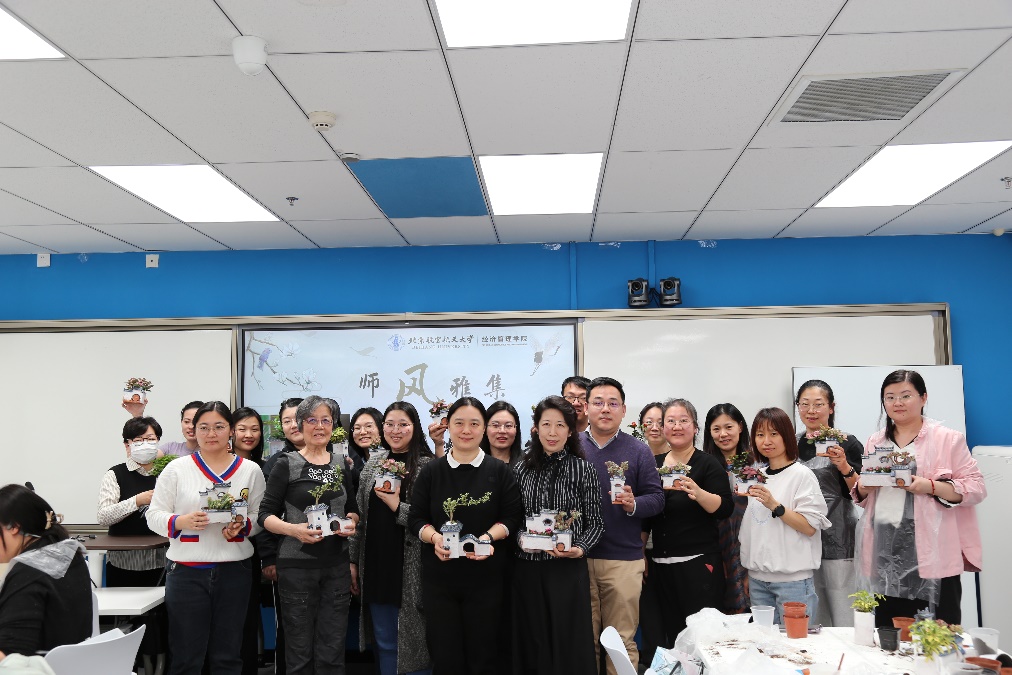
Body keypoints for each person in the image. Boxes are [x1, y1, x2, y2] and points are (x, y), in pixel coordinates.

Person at [853, 370, 986, 627]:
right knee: (889, 633)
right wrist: (865, 486)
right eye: (890, 397)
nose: (897, 403)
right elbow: (864, 497)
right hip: (885, 551)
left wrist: (931, 486)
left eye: (906, 396)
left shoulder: (947, 439)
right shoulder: (876, 441)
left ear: (923, 398)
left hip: (932, 552)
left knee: (938, 634)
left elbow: (976, 487)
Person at [146, 401, 266, 675]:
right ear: (194, 430)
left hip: (235, 571)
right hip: (186, 573)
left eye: (219, 427)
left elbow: (259, 516)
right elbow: (154, 515)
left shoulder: (250, 470)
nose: (211, 434)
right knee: (186, 657)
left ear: (231, 430)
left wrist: (242, 526)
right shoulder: (176, 469)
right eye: (204, 427)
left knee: (228, 656)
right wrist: (181, 521)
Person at [409, 397, 524, 675]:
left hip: (486, 581)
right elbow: (416, 519)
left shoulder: (499, 471)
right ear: (448, 426)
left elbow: (512, 518)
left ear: (483, 428)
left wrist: (487, 538)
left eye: (474, 424)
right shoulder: (432, 471)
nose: (466, 430)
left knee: (483, 656)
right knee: (446, 657)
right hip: (440, 582)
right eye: (459, 423)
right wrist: (435, 538)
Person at [258, 396, 359, 675]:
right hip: (297, 568)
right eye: (312, 420)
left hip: (336, 567)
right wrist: (294, 530)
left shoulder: (341, 464)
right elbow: (264, 516)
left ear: (333, 426)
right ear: (301, 425)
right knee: (299, 651)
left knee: (332, 649)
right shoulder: (286, 464)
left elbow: (352, 509)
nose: (319, 426)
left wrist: (350, 522)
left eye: (326, 420)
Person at [513, 396, 604, 675]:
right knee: (533, 639)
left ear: (571, 431)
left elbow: (596, 524)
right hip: (528, 569)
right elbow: (511, 520)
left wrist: (580, 548)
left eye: (560, 425)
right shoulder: (520, 469)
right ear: (536, 428)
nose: (552, 432)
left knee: (569, 641)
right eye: (546, 424)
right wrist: (521, 539)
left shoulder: (583, 469)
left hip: (567, 569)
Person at [579, 377, 664, 675]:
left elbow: (657, 499)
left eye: (613, 403)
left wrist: (633, 503)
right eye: (598, 402)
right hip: (577, 558)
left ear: (624, 410)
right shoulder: (570, 446)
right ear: (586, 408)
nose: (605, 409)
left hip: (623, 560)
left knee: (621, 641)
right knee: (582, 640)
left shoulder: (639, 450)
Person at [643, 399, 734, 655]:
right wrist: (640, 553)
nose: (677, 426)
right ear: (663, 427)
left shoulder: (708, 463)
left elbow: (725, 508)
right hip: (661, 566)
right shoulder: (654, 464)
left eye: (683, 421)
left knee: (703, 641)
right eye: (670, 421)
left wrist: (697, 492)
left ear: (695, 427)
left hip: (698, 564)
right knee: (672, 638)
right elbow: (646, 517)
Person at [349, 402, 434, 675]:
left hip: (413, 567)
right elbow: (359, 518)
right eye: (390, 424)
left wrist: (397, 506)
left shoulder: (428, 466)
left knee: (417, 645)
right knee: (384, 641)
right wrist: (353, 561)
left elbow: (433, 521)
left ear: (415, 428)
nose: (395, 430)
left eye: (403, 424)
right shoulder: (374, 464)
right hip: (377, 564)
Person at [739, 407, 829, 625]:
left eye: (773, 434)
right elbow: (754, 529)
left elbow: (809, 527)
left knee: (795, 643)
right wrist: (750, 572)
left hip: (793, 582)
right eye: (760, 435)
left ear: (786, 436)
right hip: (758, 580)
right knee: (764, 642)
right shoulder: (756, 477)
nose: (766, 441)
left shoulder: (802, 475)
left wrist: (775, 505)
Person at [97, 416, 169, 665]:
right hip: (124, 564)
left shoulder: (169, 472)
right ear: (127, 445)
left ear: (158, 441)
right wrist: (137, 501)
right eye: (138, 440)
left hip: (163, 563)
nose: (145, 444)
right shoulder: (115, 474)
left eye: (150, 439)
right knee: (128, 628)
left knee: (162, 625)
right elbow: (104, 516)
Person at [794, 380, 864, 627]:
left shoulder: (848, 443)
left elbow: (863, 492)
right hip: (802, 541)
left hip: (840, 539)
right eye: (805, 404)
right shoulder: (791, 444)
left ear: (831, 407)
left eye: (818, 404)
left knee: (845, 615)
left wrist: (843, 465)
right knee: (813, 618)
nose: (811, 410)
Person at [0, 484, 92, 662]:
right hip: (72, 666)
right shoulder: (70, 555)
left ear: (14, 527)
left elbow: (10, 656)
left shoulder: (28, 572)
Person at [259, 397, 304, 675]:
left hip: (326, 560)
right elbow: (264, 513)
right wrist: (269, 558)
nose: (293, 425)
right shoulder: (276, 462)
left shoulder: (334, 458)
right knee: (289, 627)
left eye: (298, 418)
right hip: (285, 559)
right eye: (286, 421)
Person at [701, 403, 752, 614]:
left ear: (740, 427)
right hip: (717, 551)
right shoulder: (703, 466)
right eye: (716, 429)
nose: (723, 434)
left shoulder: (758, 465)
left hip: (751, 550)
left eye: (728, 427)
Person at [231, 407, 266, 675]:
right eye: (242, 429)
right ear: (231, 431)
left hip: (251, 549)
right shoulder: (218, 467)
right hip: (217, 549)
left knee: (247, 618)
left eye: (255, 429)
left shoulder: (264, 468)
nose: (249, 434)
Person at [635, 401, 668, 661]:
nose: (655, 427)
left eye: (661, 421)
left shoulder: (682, 460)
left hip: (673, 548)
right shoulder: (636, 458)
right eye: (649, 421)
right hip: (642, 549)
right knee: (649, 615)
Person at [480, 401, 524, 467]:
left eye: (508, 426)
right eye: (495, 425)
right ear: (485, 428)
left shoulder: (527, 466)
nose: (502, 431)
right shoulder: (473, 463)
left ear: (516, 429)